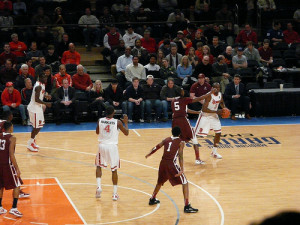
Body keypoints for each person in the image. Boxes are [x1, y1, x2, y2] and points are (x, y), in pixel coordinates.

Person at [145, 126, 198, 213]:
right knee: (185, 182)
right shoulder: (181, 142)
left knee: (160, 182)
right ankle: (187, 206)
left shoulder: (166, 139)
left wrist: (149, 154)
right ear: (180, 134)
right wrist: (181, 169)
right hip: (171, 165)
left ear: (171, 132)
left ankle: (152, 199)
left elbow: (156, 147)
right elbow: (180, 156)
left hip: (163, 164)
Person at [95, 106, 129, 200]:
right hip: (112, 147)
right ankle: (114, 194)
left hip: (102, 146)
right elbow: (126, 133)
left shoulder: (100, 120)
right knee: (114, 170)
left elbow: (97, 132)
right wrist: (125, 123)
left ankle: (99, 187)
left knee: (99, 166)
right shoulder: (117, 122)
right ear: (113, 113)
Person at [171, 88, 208, 164]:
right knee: (194, 139)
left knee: (181, 141)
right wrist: (210, 93)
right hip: (183, 121)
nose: (184, 91)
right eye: (182, 90)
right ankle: (197, 159)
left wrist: (197, 112)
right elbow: (199, 99)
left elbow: (184, 109)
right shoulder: (184, 99)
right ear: (181, 93)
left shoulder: (173, 101)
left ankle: (174, 159)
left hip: (175, 122)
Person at [194, 83, 228, 159]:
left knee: (218, 133)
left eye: (218, 87)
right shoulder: (209, 95)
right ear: (212, 88)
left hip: (214, 116)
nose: (217, 89)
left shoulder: (220, 94)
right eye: (216, 87)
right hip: (205, 116)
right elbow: (204, 109)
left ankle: (214, 152)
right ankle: (182, 141)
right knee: (195, 134)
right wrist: (217, 112)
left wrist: (224, 108)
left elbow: (221, 102)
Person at [0, 121, 23, 217]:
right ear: (10, 128)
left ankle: (0, 207)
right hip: (7, 165)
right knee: (17, 184)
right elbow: (11, 154)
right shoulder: (12, 138)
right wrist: (17, 168)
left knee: (0, 185)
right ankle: (14, 208)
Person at [27, 74, 52, 152]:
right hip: (34, 108)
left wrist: (45, 96)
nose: (46, 79)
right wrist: (46, 103)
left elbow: (40, 94)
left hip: (38, 108)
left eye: (46, 77)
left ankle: (32, 140)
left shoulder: (42, 85)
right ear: (39, 77)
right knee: (36, 127)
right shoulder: (38, 86)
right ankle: (30, 143)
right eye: (44, 77)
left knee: (40, 125)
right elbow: (36, 99)